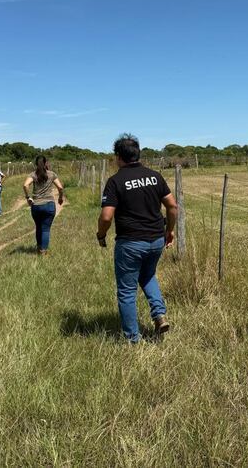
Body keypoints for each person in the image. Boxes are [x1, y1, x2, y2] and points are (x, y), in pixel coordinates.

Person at [97, 134, 178, 343]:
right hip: (156, 240)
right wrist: (169, 230)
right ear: (137, 154)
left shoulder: (115, 181)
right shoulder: (155, 176)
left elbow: (106, 216)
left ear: (118, 157)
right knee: (148, 276)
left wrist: (101, 234)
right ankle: (159, 315)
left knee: (126, 291)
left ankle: (133, 339)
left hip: (131, 243)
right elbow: (172, 206)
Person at [23, 155, 64, 255]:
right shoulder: (52, 174)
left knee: (38, 227)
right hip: (49, 205)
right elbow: (60, 188)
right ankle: (43, 251)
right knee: (46, 229)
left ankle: (38, 247)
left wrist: (28, 197)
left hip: (36, 205)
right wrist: (60, 197)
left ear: (36, 164)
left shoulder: (33, 174)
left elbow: (25, 185)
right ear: (46, 163)